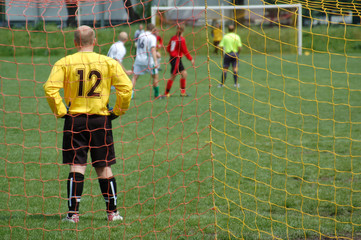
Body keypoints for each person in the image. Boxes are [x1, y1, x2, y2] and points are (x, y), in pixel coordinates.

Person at [43, 25, 133, 223]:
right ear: (94, 41)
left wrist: (61, 111)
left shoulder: (65, 62)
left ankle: (72, 215)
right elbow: (126, 88)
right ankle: (113, 213)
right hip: (101, 119)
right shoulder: (108, 62)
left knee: (77, 165)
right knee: (104, 167)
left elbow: (50, 89)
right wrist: (117, 110)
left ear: (75, 42)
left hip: (75, 120)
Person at [163, 23, 194, 97]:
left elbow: (168, 48)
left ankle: (183, 92)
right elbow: (185, 50)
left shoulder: (173, 37)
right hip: (176, 59)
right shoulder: (181, 39)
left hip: (173, 58)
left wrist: (172, 53)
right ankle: (166, 93)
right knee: (173, 76)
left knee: (184, 74)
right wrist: (191, 59)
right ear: (183, 31)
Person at [131, 23, 161, 99]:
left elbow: (137, 47)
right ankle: (157, 95)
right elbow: (153, 49)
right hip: (148, 61)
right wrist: (156, 61)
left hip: (138, 59)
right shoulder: (152, 37)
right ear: (153, 29)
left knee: (134, 77)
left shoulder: (140, 35)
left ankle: (130, 95)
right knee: (155, 77)